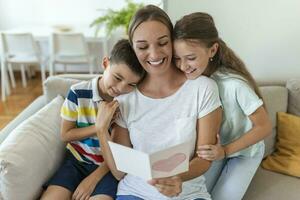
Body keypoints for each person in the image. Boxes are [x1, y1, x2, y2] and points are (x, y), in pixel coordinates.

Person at [95, 5, 222, 200]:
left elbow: (204, 159)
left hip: (188, 194)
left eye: (162, 43)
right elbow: (120, 172)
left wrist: (177, 178)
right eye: (143, 47)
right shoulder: (125, 97)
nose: (154, 55)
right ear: (133, 48)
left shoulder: (202, 88)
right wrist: (101, 131)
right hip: (135, 193)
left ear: (172, 41)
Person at [172, 12, 272, 200]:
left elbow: (264, 126)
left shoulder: (235, 84)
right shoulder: (194, 79)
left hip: (244, 153)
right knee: (195, 193)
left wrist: (225, 151)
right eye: (177, 58)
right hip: (217, 150)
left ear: (212, 50)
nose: (183, 66)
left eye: (190, 58)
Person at [40, 39, 146, 200]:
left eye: (131, 84)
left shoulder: (128, 102)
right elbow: (66, 134)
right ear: (105, 63)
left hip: (107, 169)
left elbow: (118, 156)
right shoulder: (78, 92)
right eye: (117, 77)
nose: (121, 88)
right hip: (76, 162)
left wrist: (93, 179)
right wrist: (98, 127)